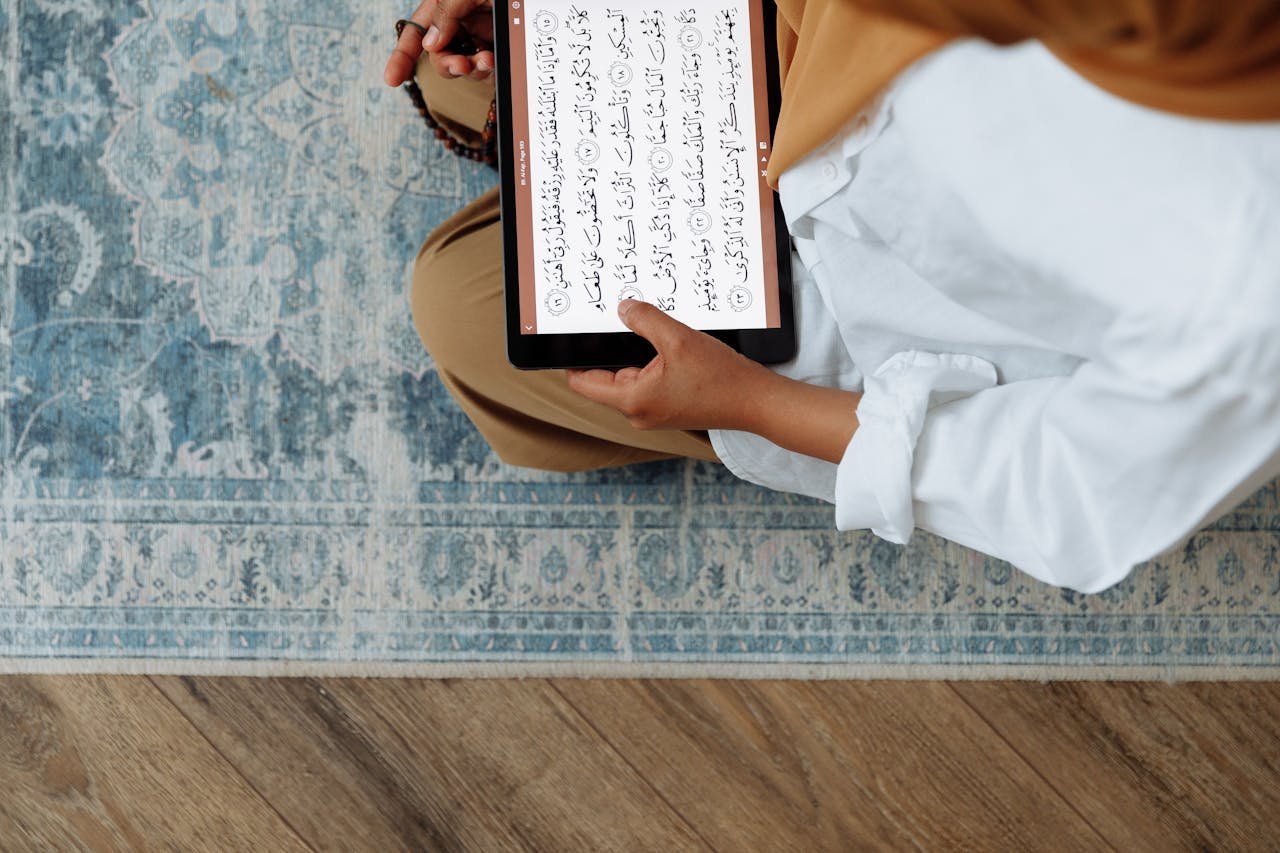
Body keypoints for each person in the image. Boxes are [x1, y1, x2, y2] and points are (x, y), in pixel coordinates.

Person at [387, 0, 1280, 593]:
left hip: (866, 293)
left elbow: (1070, 491)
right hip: (792, 53)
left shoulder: (1247, 308)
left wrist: (755, 403)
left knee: (458, 306)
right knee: (454, 70)